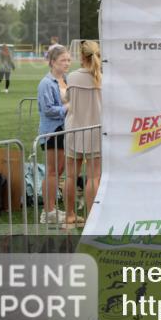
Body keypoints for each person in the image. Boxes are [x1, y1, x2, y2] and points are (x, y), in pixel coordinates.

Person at [64, 40, 102, 228]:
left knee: (71, 176)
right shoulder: (102, 78)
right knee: (94, 177)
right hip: (95, 131)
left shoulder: (72, 77)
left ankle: (70, 215)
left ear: (81, 56)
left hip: (74, 130)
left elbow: (67, 100)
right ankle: (91, 219)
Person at [38, 44, 71, 225]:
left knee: (59, 171)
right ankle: (47, 212)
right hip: (53, 131)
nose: (67, 63)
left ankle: (51, 209)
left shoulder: (66, 79)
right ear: (52, 62)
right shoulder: (45, 83)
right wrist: (69, 107)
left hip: (65, 129)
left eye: (68, 60)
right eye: (62, 60)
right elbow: (48, 110)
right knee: (52, 172)